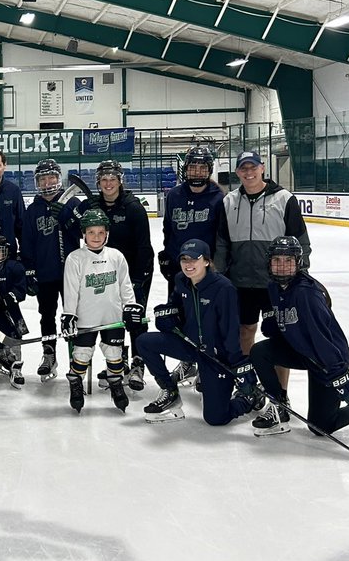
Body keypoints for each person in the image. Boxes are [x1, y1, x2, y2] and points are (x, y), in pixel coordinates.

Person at [249, 236, 349, 437]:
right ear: (269, 263)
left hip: (326, 360)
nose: (282, 266)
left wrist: (341, 376)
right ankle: (279, 406)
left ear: (298, 263)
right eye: (277, 260)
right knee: (260, 352)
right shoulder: (274, 287)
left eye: (288, 261)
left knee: (320, 426)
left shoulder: (307, 294)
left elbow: (322, 340)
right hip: (302, 352)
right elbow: (278, 328)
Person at [135, 239, 265, 426]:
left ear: (206, 261)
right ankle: (169, 391)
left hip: (215, 356)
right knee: (145, 341)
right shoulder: (180, 280)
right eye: (184, 259)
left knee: (216, 418)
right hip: (190, 346)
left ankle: (248, 399)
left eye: (194, 259)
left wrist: (237, 364)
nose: (188, 264)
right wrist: (166, 316)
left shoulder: (223, 288)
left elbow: (230, 331)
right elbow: (175, 308)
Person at [213, 150, 311, 394]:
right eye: (243, 168)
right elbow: (222, 243)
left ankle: (280, 393)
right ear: (237, 172)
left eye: (253, 167)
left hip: (275, 283)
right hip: (240, 282)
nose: (249, 172)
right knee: (244, 331)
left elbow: (301, 241)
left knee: (278, 338)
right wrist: (218, 275)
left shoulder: (284, 199)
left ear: (263, 168)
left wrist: (300, 277)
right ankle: (247, 384)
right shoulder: (229, 201)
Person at [69, 160, 154, 392]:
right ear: (98, 182)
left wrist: (139, 279)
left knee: (134, 320)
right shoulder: (93, 205)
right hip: (105, 273)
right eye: (104, 179)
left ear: (120, 181)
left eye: (113, 179)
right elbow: (73, 225)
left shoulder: (133, 208)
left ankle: (137, 364)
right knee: (111, 319)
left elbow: (145, 247)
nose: (108, 183)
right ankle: (119, 361)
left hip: (134, 272)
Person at [60, 209, 141, 415]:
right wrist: (69, 314)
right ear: (83, 234)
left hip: (112, 318)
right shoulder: (75, 258)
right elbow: (70, 290)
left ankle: (115, 384)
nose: (96, 237)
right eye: (91, 232)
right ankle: (75, 383)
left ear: (107, 233)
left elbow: (125, 285)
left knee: (115, 356)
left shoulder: (116, 256)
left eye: (100, 232)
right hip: (86, 318)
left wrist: (130, 306)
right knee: (82, 355)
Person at [21, 158, 78, 382]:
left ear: (58, 179)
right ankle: (49, 353)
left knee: (72, 316)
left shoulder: (71, 203)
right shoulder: (32, 210)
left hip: (70, 273)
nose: (47, 183)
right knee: (46, 315)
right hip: (45, 274)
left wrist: (67, 216)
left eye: (51, 178)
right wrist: (29, 271)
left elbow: (84, 232)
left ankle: (76, 356)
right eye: (42, 179)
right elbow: (27, 242)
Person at [159, 146, 224, 299]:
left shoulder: (218, 197)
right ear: (185, 169)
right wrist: (168, 255)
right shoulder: (174, 195)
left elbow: (221, 236)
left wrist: (217, 265)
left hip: (206, 268)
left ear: (209, 170)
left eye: (202, 167)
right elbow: (168, 229)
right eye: (193, 167)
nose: (197, 172)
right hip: (179, 267)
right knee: (177, 315)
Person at [0, 235, 28, 388]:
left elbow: (21, 291)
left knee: (14, 338)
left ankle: (16, 367)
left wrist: (6, 299)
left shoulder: (15, 267)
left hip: (11, 312)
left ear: (5, 252)